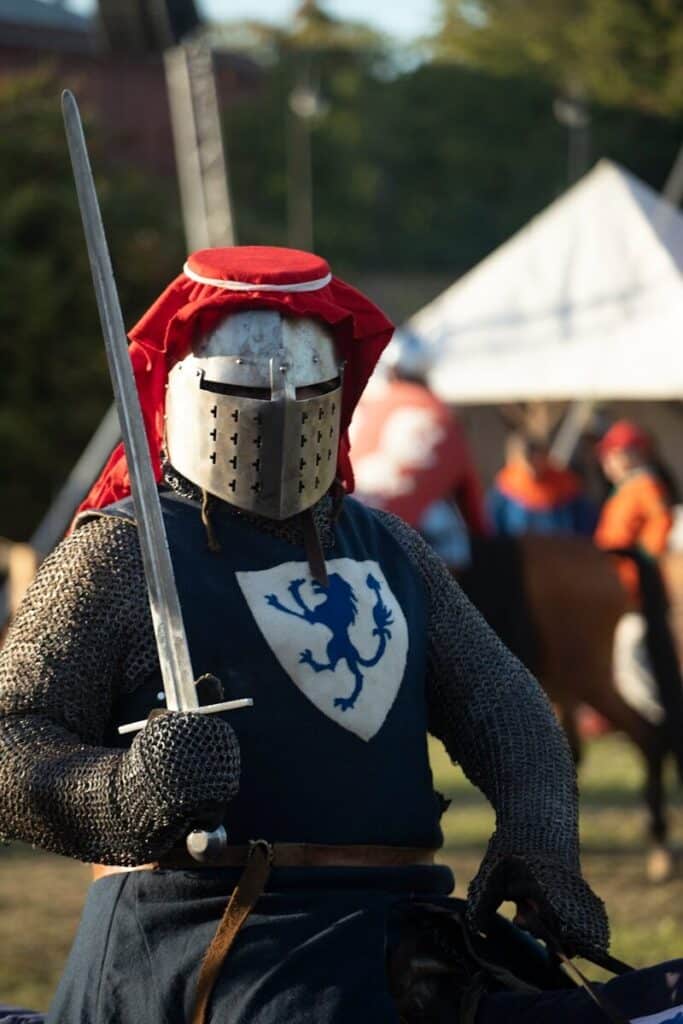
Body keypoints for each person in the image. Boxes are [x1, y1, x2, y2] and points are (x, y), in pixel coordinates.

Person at [0, 247, 677, 1024]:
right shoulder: (119, 553)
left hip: (392, 940)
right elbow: (9, 739)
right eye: (237, 400)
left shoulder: (392, 548)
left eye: (305, 401)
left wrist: (539, 840)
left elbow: (506, 709)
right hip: (203, 940)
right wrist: (126, 794)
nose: (273, 429)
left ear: (339, 396)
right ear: (182, 397)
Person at [349, 334, 488, 567]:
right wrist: (483, 538)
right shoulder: (440, 412)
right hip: (402, 530)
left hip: (348, 522)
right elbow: (467, 491)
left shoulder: (362, 404)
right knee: (450, 535)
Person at [594, 419, 675, 725]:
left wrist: (642, 562)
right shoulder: (627, 489)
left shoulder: (645, 485)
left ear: (631, 454)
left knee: (631, 663)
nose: (607, 461)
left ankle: (660, 723)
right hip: (621, 589)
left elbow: (661, 522)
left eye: (613, 454)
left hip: (636, 592)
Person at [488, 433, 597, 538]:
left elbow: (587, 527)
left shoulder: (567, 486)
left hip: (562, 551)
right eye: (525, 458)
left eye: (536, 457)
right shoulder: (505, 491)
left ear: (546, 456)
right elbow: (494, 530)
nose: (530, 464)